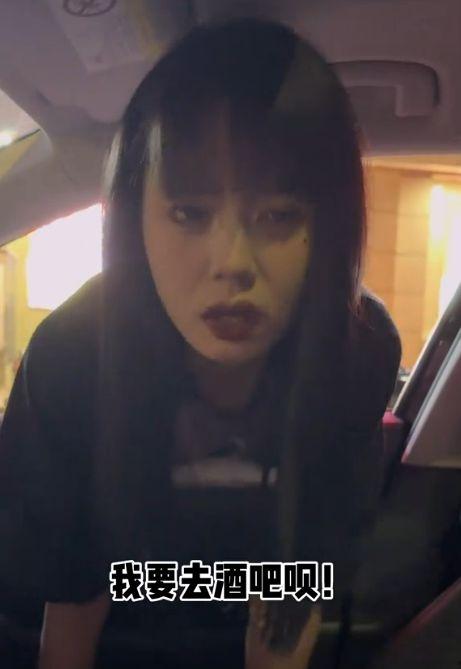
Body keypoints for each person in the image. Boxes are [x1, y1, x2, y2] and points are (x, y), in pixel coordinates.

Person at [0, 17, 401, 669]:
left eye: (278, 216)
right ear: (135, 218)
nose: (232, 263)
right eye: (190, 212)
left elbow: (292, 590)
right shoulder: (73, 354)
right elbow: (71, 600)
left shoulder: (356, 350)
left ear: (327, 226)